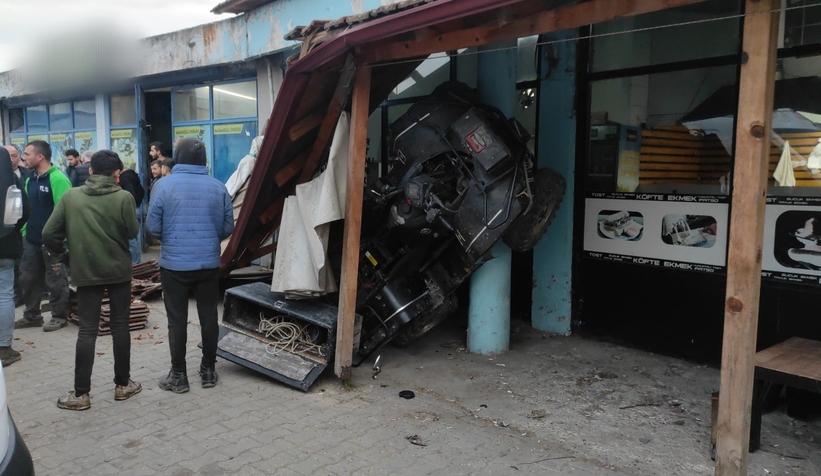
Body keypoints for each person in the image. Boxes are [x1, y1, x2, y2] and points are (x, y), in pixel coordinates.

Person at [43, 150, 141, 410]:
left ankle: (81, 394)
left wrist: (65, 256)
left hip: (85, 271)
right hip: (118, 270)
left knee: (87, 330)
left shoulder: (71, 196)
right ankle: (123, 385)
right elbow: (132, 231)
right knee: (120, 326)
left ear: (90, 171)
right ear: (116, 173)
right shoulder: (124, 198)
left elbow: (48, 233)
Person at [147, 138, 233, 392]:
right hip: (207, 264)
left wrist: (172, 238)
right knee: (208, 317)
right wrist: (208, 238)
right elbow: (228, 227)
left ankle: (179, 376)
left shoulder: (163, 186)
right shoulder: (218, 187)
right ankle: (208, 371)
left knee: (177, 320)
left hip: (174, 266)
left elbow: (152, 227)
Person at [14, 140, 72, 332]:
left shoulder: (58, 179)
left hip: (52, 242)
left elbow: (65, 213)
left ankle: (58, 316)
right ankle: (32, 315)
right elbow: (27, 208)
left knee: (55, 279)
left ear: (40, 157)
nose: (24, 158)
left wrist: (60, 239)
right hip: (30, 239)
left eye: (27, 154)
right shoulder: (30, 179)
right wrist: (24, 232)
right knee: (28, 277)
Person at [0, 147, 29, 367]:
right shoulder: (12, 182)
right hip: (6, 246)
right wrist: (13, 230)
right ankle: (4, 348)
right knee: (4, 295)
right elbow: (24, 211)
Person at [117, 165, 145, 264]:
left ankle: (135, 264)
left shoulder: (124, 178)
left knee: (131, 240)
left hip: (131, 209)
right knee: (134, 239)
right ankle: (136, 262)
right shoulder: (132, 175)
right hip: (136, 208)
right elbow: (142, 191)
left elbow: (130, 194)